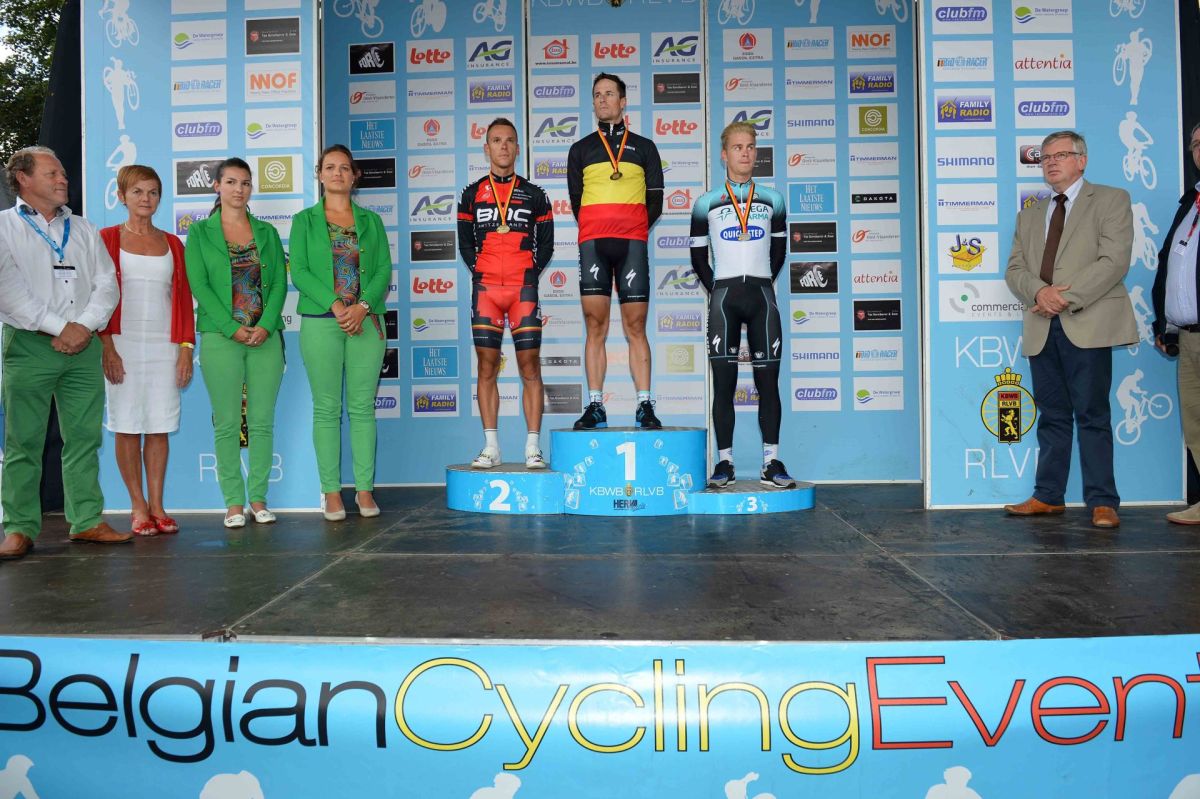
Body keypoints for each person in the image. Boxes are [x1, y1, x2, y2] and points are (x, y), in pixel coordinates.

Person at [1003, 130, 1137, 528]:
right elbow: (1014, 270)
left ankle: (1103, 501)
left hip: (1088, 321)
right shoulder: (1029, 214)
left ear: (1082, 160)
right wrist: (1039, 293)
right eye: (1045, 157)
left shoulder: (1111, 200)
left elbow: (1114, 261)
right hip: (1042, 325)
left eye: (1060, 155)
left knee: (1092, 414)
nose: (1050, 162)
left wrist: (1063, 297)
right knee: (1052, 416)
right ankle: (1048, 496)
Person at [0, 146, 126, 558]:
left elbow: (107, 284)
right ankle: (19, 527)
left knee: (85, 438)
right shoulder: (4, 227)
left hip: (84, 345)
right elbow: (9, 292)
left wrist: (83, 327)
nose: (62, 179)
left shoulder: (85, 228)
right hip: (30, 345)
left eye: (63, 173)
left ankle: (86, 520)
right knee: (24, 441)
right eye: (52, 173)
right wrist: (61, 328)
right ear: (23, 178)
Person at [690, 122, 795, 489]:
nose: (745, 153)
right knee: (724, 385)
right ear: (724, 154)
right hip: (724, 300)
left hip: (762, 298)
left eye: (750, 146)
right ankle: (725, 463)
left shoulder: (773, 199)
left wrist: (762, 282)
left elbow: (779, 251)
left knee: (769, 384)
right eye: (738, 147)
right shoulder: (705, 202)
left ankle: (771, 462)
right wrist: (719, 289)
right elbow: (698, 258)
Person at [184, 157, 286, 529]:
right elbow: (199, 284)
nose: (238, 189)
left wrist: (267, 325)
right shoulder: (200, 233)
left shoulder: (267, 232)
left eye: (245, 183)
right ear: (217, 186)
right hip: (220, 337)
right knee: (227, 423)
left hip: (265, 338)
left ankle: (258, 498)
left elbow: (279, 283)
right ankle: (233, 502)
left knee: (261, 422)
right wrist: (231, 328)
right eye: (230, 182)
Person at [289, 145, 388, 520]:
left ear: (354, 175)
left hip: (366, 323)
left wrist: (361, 307)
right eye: (329, 167)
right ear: (319, 174)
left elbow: (383, 269)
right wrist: (336, 305)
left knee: (362, 409)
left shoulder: (372, 222)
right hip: (321, 323)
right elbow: (299, 271)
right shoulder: (304, 221)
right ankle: (331, 492)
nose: (337, 173)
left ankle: (364, 491)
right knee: (327, 409)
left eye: (344, 168)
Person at [99, 164, 195, 536]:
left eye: (153, 192)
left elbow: (183, 300)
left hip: (164, 345)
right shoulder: (105, 239)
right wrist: (107, 347)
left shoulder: (173, 244)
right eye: (138, 191)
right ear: (121, 196)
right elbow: (98, 297)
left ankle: (157, 506)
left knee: (159, 425)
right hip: (120, 343)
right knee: (126, 425)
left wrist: (185, 348)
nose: (146, 198)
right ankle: (137, 506)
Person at [567, 72, 664, 430]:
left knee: (635, 325)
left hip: (631, 244)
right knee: (595, 325)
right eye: (597, 95)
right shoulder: (579, 149)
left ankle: (644, 405)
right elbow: (577, 201)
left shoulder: (645, 147)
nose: (603, 99)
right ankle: (596, 405)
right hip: (594, 243)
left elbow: (655, 202)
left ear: (623, 102)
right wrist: (601, 224)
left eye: (609, 94)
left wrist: (632, 227)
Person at [457, 118, 554, 468]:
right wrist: (483, 272)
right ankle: (491, 447)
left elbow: (547, 244)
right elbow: (465, 244)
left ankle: (532, 447)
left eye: (509, 140)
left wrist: (525, 275)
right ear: (487, 148)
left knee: (530, 366)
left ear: (517, 148)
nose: (503, 146)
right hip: (486, 291)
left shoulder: (535, 195)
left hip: (522, 290)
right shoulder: (471, 194)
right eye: (496, 140)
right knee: (486, 367)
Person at [1152, 122, 1200, 524]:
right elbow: (1171, 267)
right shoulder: (1189, 205)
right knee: (1196, 423)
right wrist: (1165, 327)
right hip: (1187, 337)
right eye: (1196, 144)